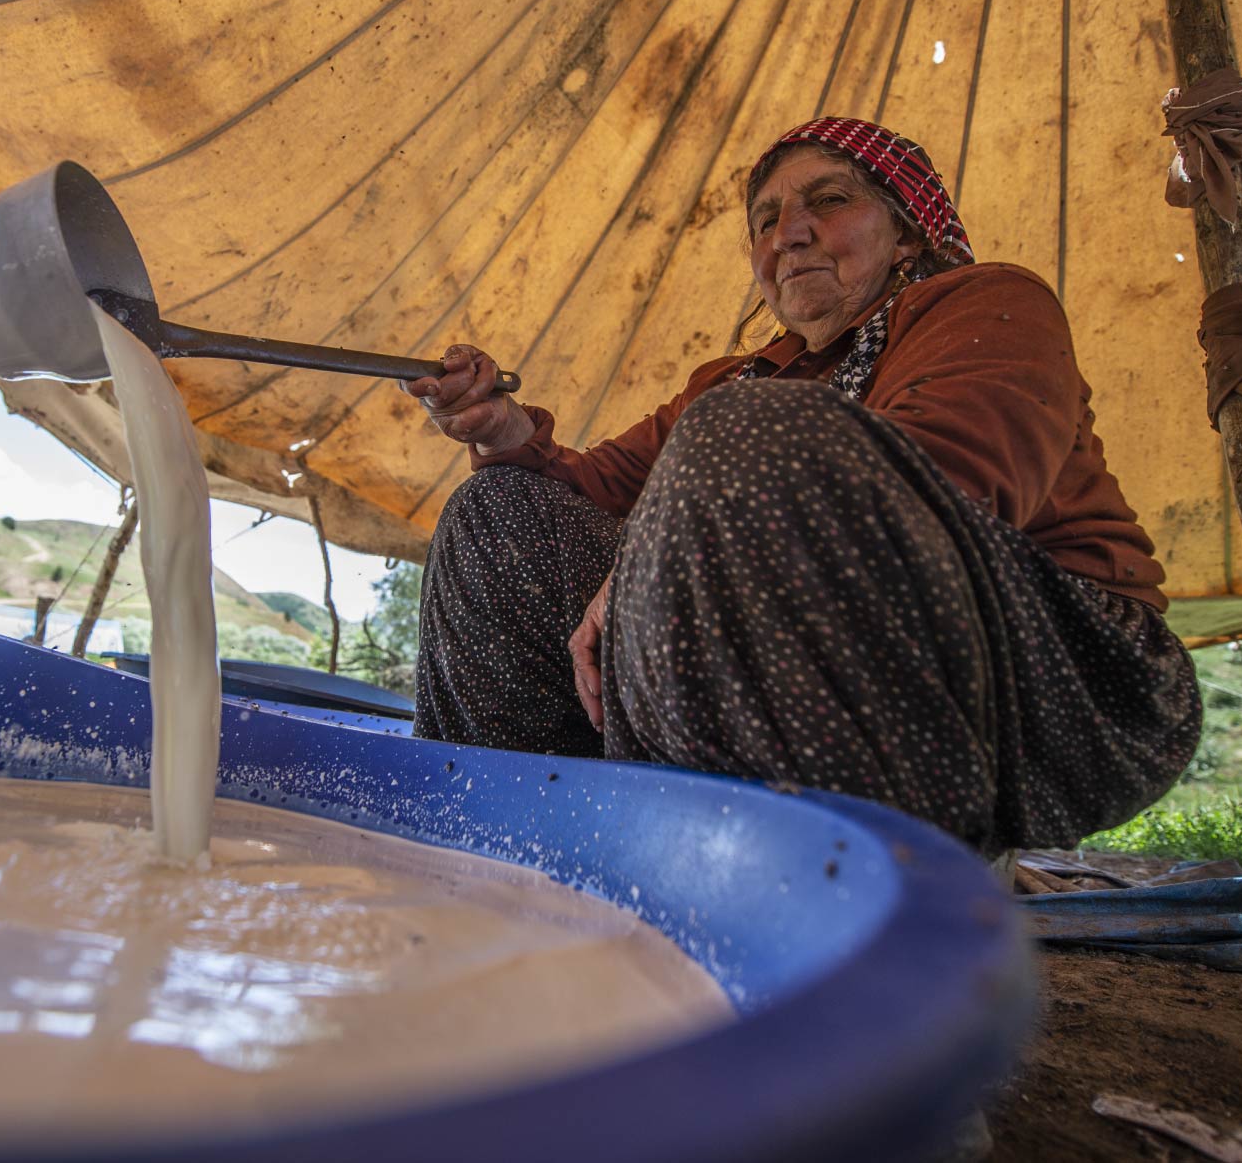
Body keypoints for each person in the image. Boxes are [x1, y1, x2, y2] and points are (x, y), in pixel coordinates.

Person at [402, 117, 1201, 854]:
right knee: (495, 512)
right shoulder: (738, 383)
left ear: (906, 233)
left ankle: (844, 871)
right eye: (765, 220)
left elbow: (945, 485)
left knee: (739, 430)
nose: (789, 233)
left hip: (1060, 679)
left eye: (830, 200)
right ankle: (537, 847)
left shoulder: (986, 302)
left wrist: (645, 557)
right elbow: (581, 496)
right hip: (787, 669)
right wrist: (503, 431)